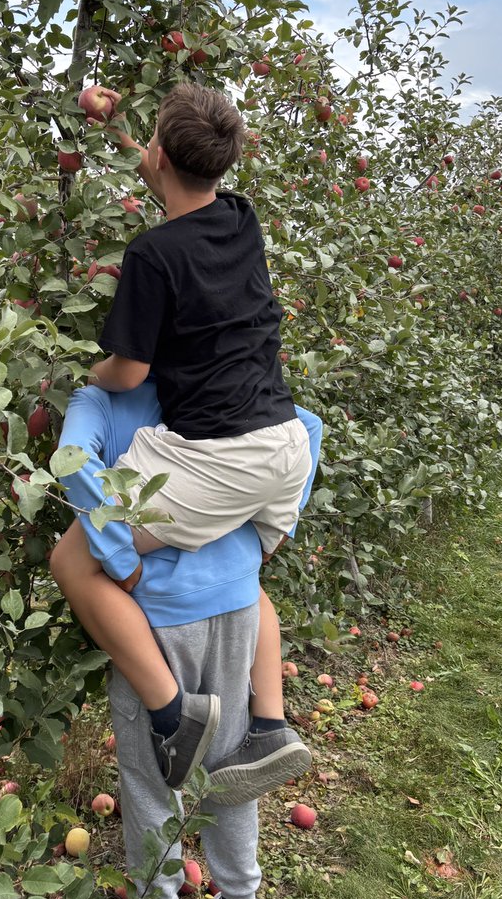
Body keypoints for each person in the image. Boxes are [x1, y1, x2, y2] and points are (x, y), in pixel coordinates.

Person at [50, 82, 312, 798]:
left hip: (217, 458)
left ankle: (173, 716)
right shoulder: (240, 218)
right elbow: (175, 182)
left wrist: (89, 371)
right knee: (242, 569)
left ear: (162, 155)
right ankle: (269, 723)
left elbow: (129, 370)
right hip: (287, 449)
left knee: (73, 560)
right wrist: (122, 135)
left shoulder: (151, 255)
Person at [51, 381, 322, 899]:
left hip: (154, 621)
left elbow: (72, 461)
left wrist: (120, 555)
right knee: (232, 762)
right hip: (238, 604)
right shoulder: (214, 388)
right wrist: (268, 533)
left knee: (153, 784)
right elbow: (304, 426)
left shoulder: (98, 401)